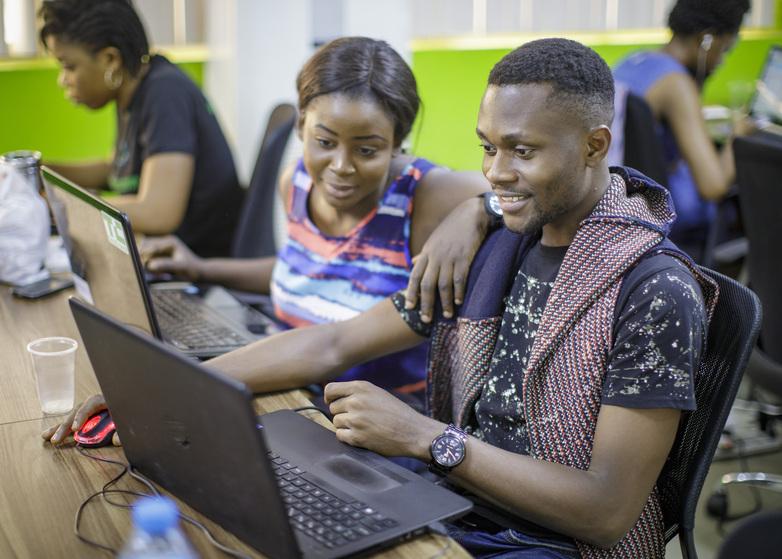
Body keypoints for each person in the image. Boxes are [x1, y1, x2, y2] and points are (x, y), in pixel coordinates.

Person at [49, 38, 718, 558]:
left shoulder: (653, 290)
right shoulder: (498, 243)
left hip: (545, 540)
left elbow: (606, 510)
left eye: (522, 150)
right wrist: (165, 385)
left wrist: (430, 438)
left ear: (595, 144)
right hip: (458, 501)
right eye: (487, 148)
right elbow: (335, 341)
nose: (496, 172)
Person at [39, 0, 243, 257]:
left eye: (69, 66)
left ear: (110, 60)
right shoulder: (133, 91)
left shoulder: (165, 93)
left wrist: (57, 206)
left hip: (195, 266)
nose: (62, 80)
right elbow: (115, 169)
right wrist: (40, 171)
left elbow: (158, 212)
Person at [613, 0, 751, 258]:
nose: (721, 61)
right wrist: (740, 132)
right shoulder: (677, 83)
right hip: (674, 223)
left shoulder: (636, 61)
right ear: (706, 40)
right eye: (724, 50)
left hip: (626, 209)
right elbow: (713, 186)